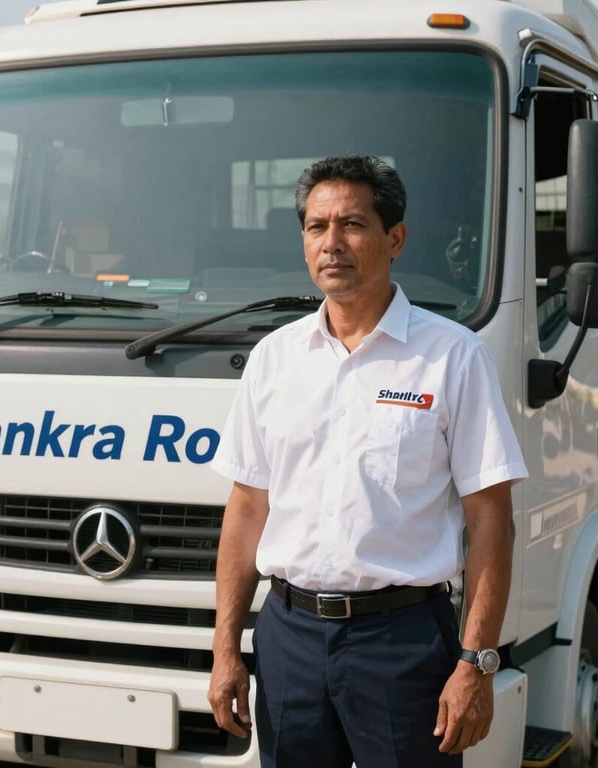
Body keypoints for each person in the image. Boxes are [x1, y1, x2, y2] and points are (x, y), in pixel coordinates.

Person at [207, 155, 528, 768]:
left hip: (402, 643)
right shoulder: (274, 359)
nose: (332, 243)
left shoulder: (453, 357)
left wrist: (476, 662)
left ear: (395, 238)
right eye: (316, 226)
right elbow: (247, 510)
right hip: (289, 638)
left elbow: (491, 520)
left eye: (352, 224)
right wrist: (226, 647)